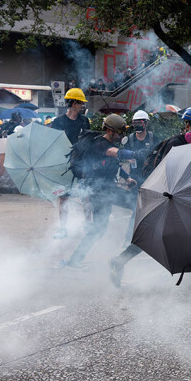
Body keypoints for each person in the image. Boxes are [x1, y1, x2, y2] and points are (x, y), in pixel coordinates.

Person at [109, 107, 191, 287]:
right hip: (164, 196)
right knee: (152, 236)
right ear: (187, 126)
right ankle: (119, 262)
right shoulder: (175, 144)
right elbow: (166, 175)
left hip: (178, 197)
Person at [60, 114, 136, 269]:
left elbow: (114, 165)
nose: (120, 136)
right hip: (100, 193)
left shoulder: (106, 142)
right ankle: (74, 260)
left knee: (100, 229)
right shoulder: (100, 144)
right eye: (118, 132)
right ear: (109, 130)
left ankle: (75, 260)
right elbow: (116, 153)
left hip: (108, 190)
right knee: (100, 229)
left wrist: (127, 178)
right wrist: (137, 154)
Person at [51, 88, 92, 239]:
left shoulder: (84, 121)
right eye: (81, 102)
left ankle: (88, 223)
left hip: (82, 163)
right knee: (63, 197)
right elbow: (54, 143)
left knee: (86, 195)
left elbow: (89, 141)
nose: (82, 105)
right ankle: (62, 228)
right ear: (74, 103)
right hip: (65, 165)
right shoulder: (58, 122)